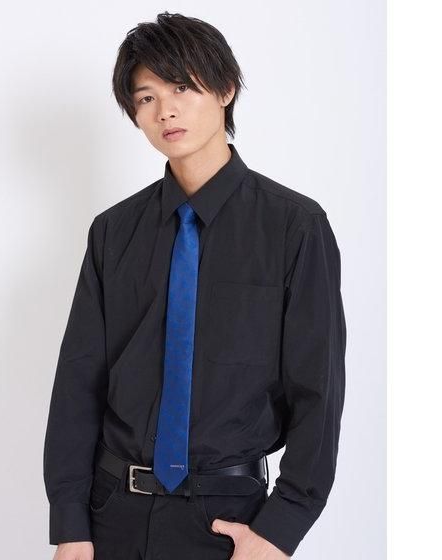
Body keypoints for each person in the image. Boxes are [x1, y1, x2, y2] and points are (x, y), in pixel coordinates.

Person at [43, 11, 346, 560]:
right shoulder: (113, 231)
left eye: (181, 87)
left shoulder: (294, 227)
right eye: (146, 97)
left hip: (228, 521)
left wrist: (279, 531)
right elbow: (78, 384)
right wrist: (71, 524)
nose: (165, 110)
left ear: (226, 89)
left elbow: (317, 393)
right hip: (113, 515)